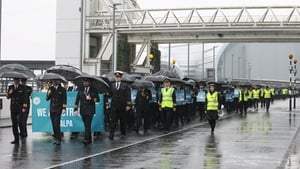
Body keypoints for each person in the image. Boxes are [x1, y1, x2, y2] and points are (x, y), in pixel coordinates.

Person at [74, 78, 99, 145]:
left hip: (90, 110)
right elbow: (77, 100)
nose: (85, 83)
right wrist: (75, 109)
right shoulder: (81, 89)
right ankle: (89, 139)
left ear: (89, 82)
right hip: (83, 110)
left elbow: (97, 100)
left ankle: (86, 139)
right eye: (84, 81)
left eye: (86, 82)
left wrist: (91, 99)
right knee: (86, 125)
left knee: (88, 124)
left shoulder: (93, 90)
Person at [109, 71, 131, 140]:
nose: (117, 78)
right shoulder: (112, 85)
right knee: (113, 121)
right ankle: (111, 134)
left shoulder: (125, 85)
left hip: (122, 106)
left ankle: (123, 133)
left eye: (118, 77)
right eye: (116, 77)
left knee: (122, 120)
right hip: (114, 106)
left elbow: (128, 95)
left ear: (121, 78)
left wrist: (128, 105)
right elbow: (110, 95)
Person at [7, 78, 28, 144]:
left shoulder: (22, 88)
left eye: (17, 80)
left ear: (19, 81)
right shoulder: (11, 87)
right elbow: (8, 97)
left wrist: (24, 107)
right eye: (15, 80)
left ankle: (22, 134)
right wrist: (9, 93)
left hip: (20, 108)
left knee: (20, 122)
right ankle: (16, 139)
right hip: (13, 108)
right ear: (13, 81)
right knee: (14, 124)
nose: (16, 81)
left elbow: (25, 98)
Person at [46, 79, 67, 145]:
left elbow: (64, 99)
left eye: (56, 81)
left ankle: (58, 139)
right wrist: (48, 94)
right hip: (52, 109)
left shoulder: (62, 89)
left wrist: (64, 108)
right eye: (53, 81)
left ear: (59, 81)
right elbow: (47, 99)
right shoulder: (50, 88)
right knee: (53, 124)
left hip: (58, 108)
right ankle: (55, 138)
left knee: (56, 124)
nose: (54, 82)